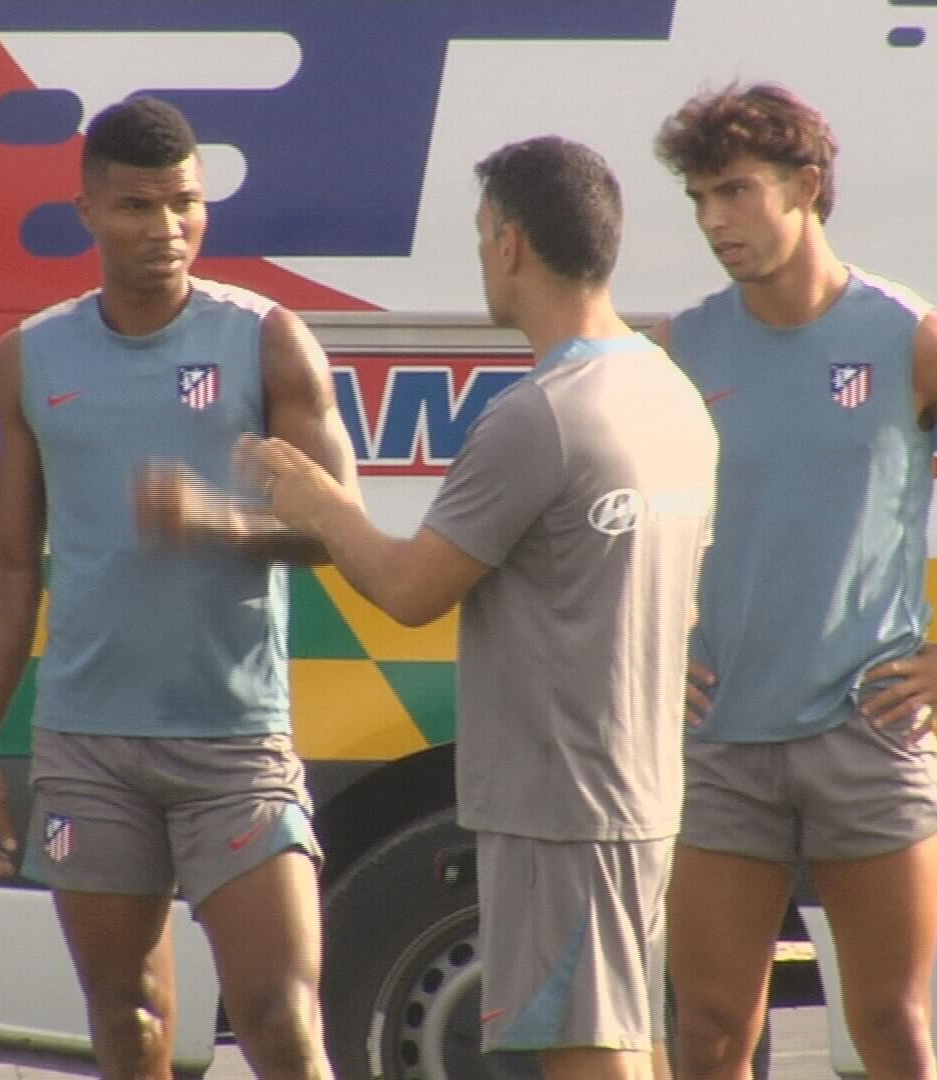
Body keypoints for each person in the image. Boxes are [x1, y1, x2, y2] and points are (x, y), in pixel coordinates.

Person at [248, 135, 717, 1080]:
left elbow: (411, 590)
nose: (480, 256)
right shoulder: (666, 389)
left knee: (587, 1052)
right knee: (634, 1039)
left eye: (478, 235)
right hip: (636, 786)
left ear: (510, 244)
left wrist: (321, 506)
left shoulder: (539, 414)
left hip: (560, 801)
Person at [649, 84, 937, 1080]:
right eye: (700, 199)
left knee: (891, 1027)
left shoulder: (911, 338)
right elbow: (621, 524)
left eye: (737, 193)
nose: (716, 221)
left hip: (869, 733)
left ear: (807, 188)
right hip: (719, 740)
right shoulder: (682, 346)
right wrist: (654, 647)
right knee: (711, 1029)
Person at [0, 97, 356, 1080]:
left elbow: (343, 541)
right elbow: (9, 564)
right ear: (85, 210)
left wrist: (209, 524)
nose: (165, 230)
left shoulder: (267, 340)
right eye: (136, 206)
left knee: (279, 1016)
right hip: (88, 744)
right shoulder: (31, 358)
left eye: (184, 204)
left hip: (233, 740)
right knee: (127, 1020)